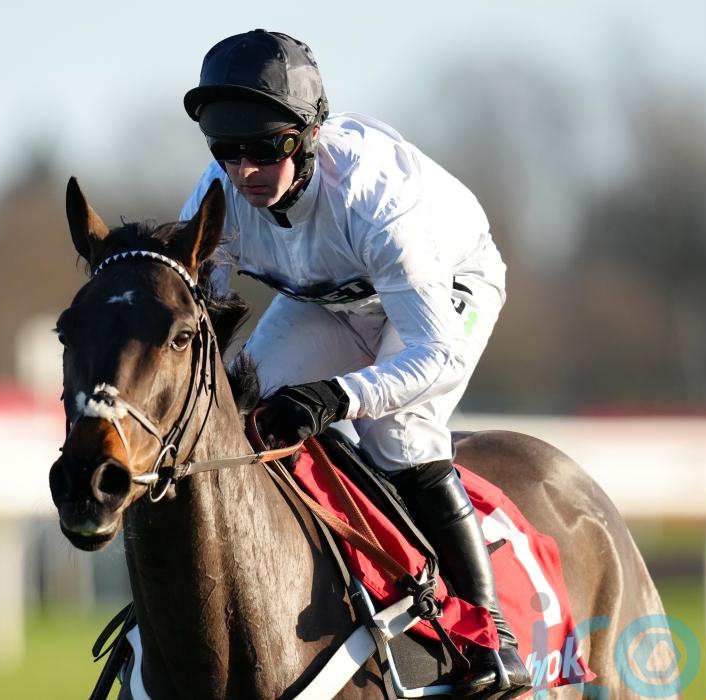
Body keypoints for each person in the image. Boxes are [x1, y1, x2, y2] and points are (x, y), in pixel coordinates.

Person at [179, 29, 530, 697]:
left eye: (267, 148)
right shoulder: (215, 200)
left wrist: (337, 396)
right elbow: (201, 333)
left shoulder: (374, 199)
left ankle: (490, 635)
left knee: (396, 432)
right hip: (329, 300)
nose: (245, 172)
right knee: (242, 411)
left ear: (309, 135)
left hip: (447, 289)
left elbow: (434, 353)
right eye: (227, 150)